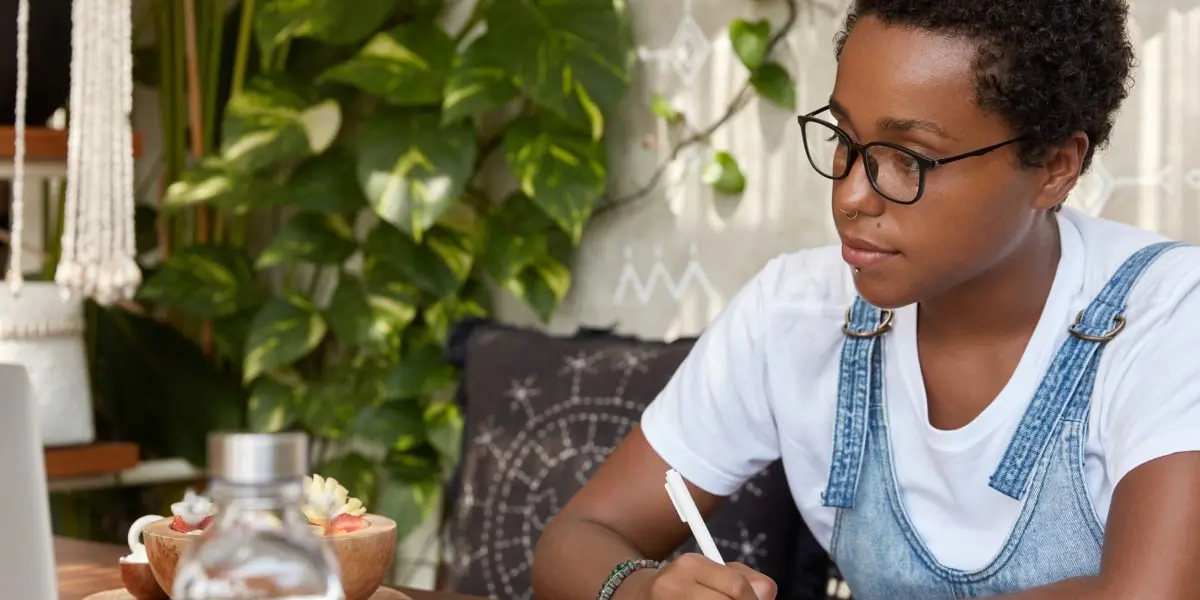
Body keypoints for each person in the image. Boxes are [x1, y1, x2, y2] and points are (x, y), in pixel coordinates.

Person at [531, 0, 1200, 599]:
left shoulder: (1165, 315)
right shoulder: (796, 314)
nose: (853, 195)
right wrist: (642, 591)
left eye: (911, 158)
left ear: (1055, 168)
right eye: (846, 142)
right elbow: (577, 539)